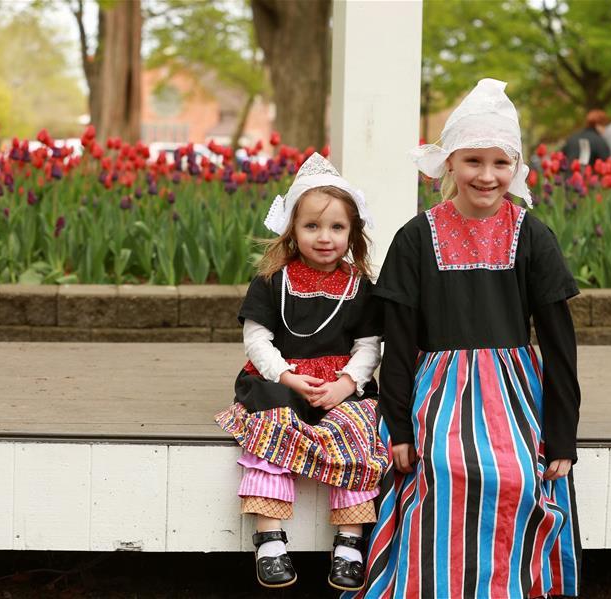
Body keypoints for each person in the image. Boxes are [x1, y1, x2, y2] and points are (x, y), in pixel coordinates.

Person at [347, 78, 583, 598]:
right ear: (449, 163)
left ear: (516, 169)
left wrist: (562, 433)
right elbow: (400, 340)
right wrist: (401, 428)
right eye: (473, 161)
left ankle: (507, 584)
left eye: (500, 163)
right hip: (438, 390)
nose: (486, 175)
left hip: (514, 391)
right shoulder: (416, 236)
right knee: (442, 470)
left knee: (518, 475)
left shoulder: (533, 235)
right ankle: (435, 583)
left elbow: (559, 344)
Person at [214, 153, 387, 591]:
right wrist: (286, 375)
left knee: (357, 431)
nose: (324, 237)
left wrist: (347, 383)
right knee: (273, 428)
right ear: (292, 228)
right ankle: (269, 537)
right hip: (281, 380)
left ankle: (349, 541)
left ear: (352, 233)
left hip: (339, 383)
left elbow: (369, 347)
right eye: (312, 226)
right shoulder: (272, 280)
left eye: (337, 228)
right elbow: (257, 339)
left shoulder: (361, 288)